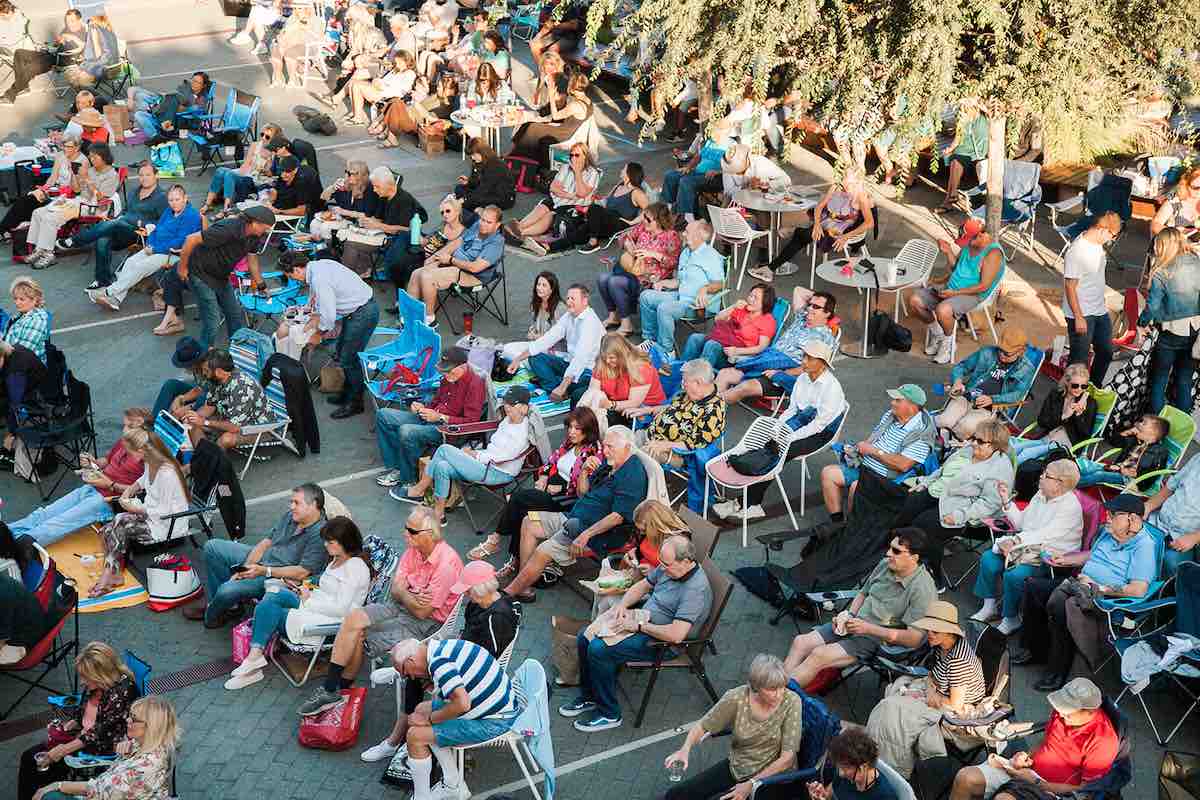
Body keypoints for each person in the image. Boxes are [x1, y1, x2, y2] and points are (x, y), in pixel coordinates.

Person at [298, 507, 464, 716]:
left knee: (358, 635)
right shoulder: (413, 550)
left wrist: (403, 591)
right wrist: (407, 594)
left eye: (411, 531)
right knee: (352, 619)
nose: (405, 533)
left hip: (426, 623)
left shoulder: (446, 565)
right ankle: (332, 689)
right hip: (398, 606)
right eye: (406, 528)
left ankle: (339, 689)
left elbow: (422, 612)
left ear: (429, 534)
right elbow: (395, 590)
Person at [361, 559, 520, 765]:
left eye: (467, 590)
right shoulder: (478, 604)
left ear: (480, 588)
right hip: (463, 659)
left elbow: (485, 658)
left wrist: (439, 673)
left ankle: (397, 738)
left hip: (473, 674)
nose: (464, 595)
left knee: (415, 681)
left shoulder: (496, 618)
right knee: (420, 669)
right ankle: (402, 672)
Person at [559, 534, 711, 732]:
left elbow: (676, 635)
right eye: (662, 564)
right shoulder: (670, 568)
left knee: (598, 649)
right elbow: (643, 585)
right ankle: (590, 696)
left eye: (666, 565)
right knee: (584, 636)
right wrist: (622, 605)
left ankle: (609, 713)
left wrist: (638, 626)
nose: (662, 569)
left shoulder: (694, 591)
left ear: (687, 562)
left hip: (661, 642)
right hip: (642, 619)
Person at [1012, 494, 1156, 691]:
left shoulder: (1144, 546)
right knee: (1034, 588)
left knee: (1062, 605)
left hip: (1103, 599)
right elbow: (1093, 556)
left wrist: (1098, 587)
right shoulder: (1109, 532)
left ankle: (1058, 671)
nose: (1107, 518)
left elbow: (1138, 590)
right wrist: (1067, 559)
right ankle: (1036, 650)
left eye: (1113, 515)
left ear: (1131, 518)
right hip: (1080, 584)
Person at [504, 426, 649, 603]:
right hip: (573, 517)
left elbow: (617, 517)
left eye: (611, 447)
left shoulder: (632, 474)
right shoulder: (609, 464)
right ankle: (523, 584)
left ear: (627, 447)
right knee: (529, 521)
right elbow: (582, 493)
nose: (606, 451)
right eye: (605, 446)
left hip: (595, 533)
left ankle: (507, 594)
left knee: (544, 550)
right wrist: (585, 472)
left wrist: (585, 535)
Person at [226, 516, 372, 689]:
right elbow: (328, 591)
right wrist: (306, 589)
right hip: (315, 604)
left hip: (330, 621)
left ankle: (253, 663)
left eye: (330, 542)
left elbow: (341, 609)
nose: (325, 545)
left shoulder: (354, 568)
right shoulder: (338, 558)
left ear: (344, 542)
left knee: (271, 612)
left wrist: (308, 601)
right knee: (274, 594)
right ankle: (255, 657)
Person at [784, 528, 936, 689]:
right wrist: (847, 614)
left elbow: (914, 639)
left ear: (914, 558)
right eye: (890, 547)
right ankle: (775, 688)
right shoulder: (886, 564)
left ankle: (777, 696)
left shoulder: (923, 590)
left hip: (876, 639)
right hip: (854, 623)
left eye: (896, 551)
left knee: (818, 655)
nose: (888, 553)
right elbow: (863, 593)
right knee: (800, 642)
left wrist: (869, 628)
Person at [713, 340, 845, 521]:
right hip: (801, 421)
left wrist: (788, 436)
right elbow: (791, 409)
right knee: (768, 439)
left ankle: (750, 503)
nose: (803, 361)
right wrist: (778, 426)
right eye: (804, 356)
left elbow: (818, 426)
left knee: (779, 450)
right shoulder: (804, 378)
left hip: (822, 433)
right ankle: (749, 502)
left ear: (822, 363)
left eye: (809, 358)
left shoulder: (831, 388)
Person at [386, 634, 518, 800]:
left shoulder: (438, 664)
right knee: (420, 710)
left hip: (494, 721)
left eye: (405, 673)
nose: (410, 677)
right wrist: (434, 697)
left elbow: (462, 704)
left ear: (411, 661)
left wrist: (430, 720)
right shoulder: (439, 648)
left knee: (415, 736)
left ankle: (423, 796)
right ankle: (453, 784)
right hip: (497, 708)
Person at [867, 601, 987, 779]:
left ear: (950, 632)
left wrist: (931, 692)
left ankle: (891, 771)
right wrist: (930, 688)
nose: (929, 634)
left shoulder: (959, 661)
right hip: (936, 691)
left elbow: (955, 705)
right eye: (929, 629)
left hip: (954, 708)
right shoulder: (943, 645)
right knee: (892, 698)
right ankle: (878, 754)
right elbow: (932, 674)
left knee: (891, 709)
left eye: (935, 631)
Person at [184, 483, 329, 628]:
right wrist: (245, 569)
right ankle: (227, 606)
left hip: (275, 576)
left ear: (313, 505)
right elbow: (266, 542)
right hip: (263, 561)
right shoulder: (292, 516)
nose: (291, 507)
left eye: (296, 503)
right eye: (291, 502)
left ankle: (213, 613)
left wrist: (264, 571)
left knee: (226, 590)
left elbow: (302, 572)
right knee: (212, 547)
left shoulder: (320, 534)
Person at [948, 677, 1117, 800]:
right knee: (965, 778)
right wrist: (1026, 757)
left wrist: (1037, 782)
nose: (1060, 713)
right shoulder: (1062, 714)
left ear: (1090, 712)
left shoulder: (1103, 742)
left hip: (1052, 790)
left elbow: (1085, 792)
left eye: (1067, 711)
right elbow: (1046, 742)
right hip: (1026, 772)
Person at [475, 406, 603, 568]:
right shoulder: (570, 444)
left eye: (577, 428)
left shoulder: (594, 452)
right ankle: (516, 561)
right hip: (549, 489)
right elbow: (551, 461)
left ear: (588, 429)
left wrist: (562, 489)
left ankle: (496, 539)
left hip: (566, 500)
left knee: (519, 497)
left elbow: (586, 492)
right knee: (523, 511)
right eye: (570, 427)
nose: (571, 432)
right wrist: (543, 477)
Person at [892, 419, 1014, 586]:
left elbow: (988, 504)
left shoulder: (999, 469)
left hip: (963, 510)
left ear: (993, 446)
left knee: (923, 526)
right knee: (907, 508)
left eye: (979, 441)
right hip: (940, 492)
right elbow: (943, 469)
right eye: (973, 437)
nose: (972, 443)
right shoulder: (969, 450)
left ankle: (933, 576)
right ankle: (897, 555)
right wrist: (925, 482)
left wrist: (959, 516)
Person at [662, 653, 801, 800]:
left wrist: (751, 783)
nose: (779, 694)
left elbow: (787, 759)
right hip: (738, 765)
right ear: (756, 687)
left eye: (782, 687)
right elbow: (704, 725)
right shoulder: (737, 698)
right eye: (772, 689)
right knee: (676, 795)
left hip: (773, 776)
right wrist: (685, 749)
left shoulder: (791, 701)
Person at [6, 408, 149, 546]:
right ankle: (4, 533)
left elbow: (141, 491)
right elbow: (106, 460)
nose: (124, 430)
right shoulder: (125, 441)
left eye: (130, 427)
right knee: (43, 514)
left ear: (145, 431)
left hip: (109, 500)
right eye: (125, 425)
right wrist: (93, 462)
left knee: (53, 524)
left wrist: (110, 484)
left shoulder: (147, 455)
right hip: (94, 486)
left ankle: (14, 547)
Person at [971, 460, 1084, 634]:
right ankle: (990, 607)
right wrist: (1006, 501)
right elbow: (1022, 522)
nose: (1041, 476)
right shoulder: (1041, 494)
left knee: (1015, 574)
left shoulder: (1070, 507)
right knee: (989, 558)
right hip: (1026, 544)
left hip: (1050, 555)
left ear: (1059, 484)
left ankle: (1011, 618)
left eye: (1047, 475)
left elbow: (1045, 535)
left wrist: (1015, 541)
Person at [19, 642, 139, 800]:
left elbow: (97, 734)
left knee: (42, 767)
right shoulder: (96, 685)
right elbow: (81, 711)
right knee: (30, 758)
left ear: (101, 674)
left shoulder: (123, 692)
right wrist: (70, 725)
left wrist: (63, 749)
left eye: (86, 677)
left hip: (98, 750)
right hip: (79, 739)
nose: (82, 681)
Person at [395, 386, 533, 521]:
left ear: (524, 408)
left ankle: (419, 489)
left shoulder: (522, 432)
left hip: (498, 472)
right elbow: (494, 449)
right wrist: (476, 453)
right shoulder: (508, 420)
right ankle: (439, 513)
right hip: (485, 463)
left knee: (444, 449)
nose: (506, 407)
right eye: (505, 402)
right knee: (442, 466)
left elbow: (503, 457)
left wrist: (475, 454)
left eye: (511, 404)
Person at [279, 251, 379, 418]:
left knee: (349, 359)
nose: (292, 279)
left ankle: (355, 403)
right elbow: (321, 301)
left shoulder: (319, 280)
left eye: (290, 275)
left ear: (297, 270)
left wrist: (318, 334)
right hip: (357, 310)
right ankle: (347, 394)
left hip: (363, 313)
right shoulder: (318, 266)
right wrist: (309, 311)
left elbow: (329, 317)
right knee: (342, 353)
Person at [89, 431, 189, 598]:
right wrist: (130, 489)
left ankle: (110, 575)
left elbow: (165, 511)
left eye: (131, 451)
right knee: (112, 527)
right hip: (153, 516)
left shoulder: (167, 474)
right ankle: (113, 572)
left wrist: (137, 510)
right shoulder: (152, 462)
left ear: (142, 451)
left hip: (167, 524)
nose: (128, 454)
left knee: (118, 525)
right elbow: (143, 479)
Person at [375, 346, 487, 496]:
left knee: (407, 431)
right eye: (445, 371)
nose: (447, 375)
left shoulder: (475, 384)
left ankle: (409, 480)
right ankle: (398, 467)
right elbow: (437, 401)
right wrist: (422, 407)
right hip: (431, 417)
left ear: (463, 366)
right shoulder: (449, 378)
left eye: (450, 371)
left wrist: (441, 417)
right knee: (384, 415)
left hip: (449, 430)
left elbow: (471, 422)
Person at [821, 384, 935, 523]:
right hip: (864, 466)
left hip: (885, 479)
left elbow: (903, 465)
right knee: (828, 473)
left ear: (912, 406)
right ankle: (837, 523)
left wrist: (873, 451)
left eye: (898, 400)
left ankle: (850, 528)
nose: (892, 403)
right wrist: (860, 449)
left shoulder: (922, 434)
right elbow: (874, 437)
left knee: (856, 487)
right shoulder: (891, 415)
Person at [31, 695, 181, 800]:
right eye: (130, 715)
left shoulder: (148, 766)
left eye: (134, 718)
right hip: (104, 788)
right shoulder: (149, 743)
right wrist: (125, 744)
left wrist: (58, 785)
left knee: (50, 795)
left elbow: (99, 790)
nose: (127, 719)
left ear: (151, 727)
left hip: (101, 791)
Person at [88, 184, 202, 312]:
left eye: (177, 199)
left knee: (140, 266)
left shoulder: (191, 216)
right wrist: (150, 244)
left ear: (185, 198)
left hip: (175, 254)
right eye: (171, 200)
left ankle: (109, 292)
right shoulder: (169, 211)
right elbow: (157, 229)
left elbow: (180, 242)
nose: (174, 203)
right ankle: (116, 300)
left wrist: (155, 249)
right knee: (130, 262)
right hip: (157, 247)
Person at [749, 167, 874, 283]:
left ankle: (770, 268)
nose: (846, 185)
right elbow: (819, 207)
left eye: (850, 182)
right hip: (825, 223)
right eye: (845, 179)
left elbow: (869, 222)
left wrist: (846, 236)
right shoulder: (836, 187)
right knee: (803, 235)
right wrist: (817, 225)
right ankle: (771, 268)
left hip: (836, 232)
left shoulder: (861, 197)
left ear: (858, 182)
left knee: (801, 235)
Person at [718, 287, 838, 405]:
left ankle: (709, 407)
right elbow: (798, 290)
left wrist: (782, 373)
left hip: (782, 373)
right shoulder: (801, 318)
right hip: (766, 360)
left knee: (744, 387)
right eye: (810, 304)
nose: (810, 308)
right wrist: (817, 298)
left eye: (816, 307)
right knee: (725, 374)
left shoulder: (825, 338)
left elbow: (812, 368)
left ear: (827, 313)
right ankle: (708, 407)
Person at [59, 161, 168, 290]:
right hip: (121, 228)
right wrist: (117, 217)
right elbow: (126, 211)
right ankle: (102, 280)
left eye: (148, 175)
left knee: (116, 223)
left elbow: (164, 223)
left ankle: (75, 241)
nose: (144, 178)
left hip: (140, 233)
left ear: (156, 176)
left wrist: (145, 225)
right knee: (103, 239)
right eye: (141, 175)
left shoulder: (162, 197)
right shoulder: (134, 192)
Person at [175, 206, 274, 348]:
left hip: (220, 275)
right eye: (265, 228)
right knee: (213, 320)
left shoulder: (255, 237)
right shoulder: (228, 228)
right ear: (254, 223)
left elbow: (252, 261)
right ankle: (203, 355)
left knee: (234, 314)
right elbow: (191, 240)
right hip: (200, 272)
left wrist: (261, 285)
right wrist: (182, 268)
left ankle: (236, 349)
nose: (267, 231)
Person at [911, 217, 1006, 364]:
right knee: (915, 301)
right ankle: (939, 335)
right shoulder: (970, 245)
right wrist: (948, 252)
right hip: (951, 288)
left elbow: (984, 286)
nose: (967, 243)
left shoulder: (993, 254)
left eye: (970, 239)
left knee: (943, 310)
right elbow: (957, 268)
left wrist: (954, 293)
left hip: (974, 294)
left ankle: (948, 344)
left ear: (982, 235)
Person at [638, 220, 726, 358]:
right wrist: (664, 283)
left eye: (687, 232)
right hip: (681, 295)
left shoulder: (711, 256)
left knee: (665, 308)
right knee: (646, 296)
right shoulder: (686, 252)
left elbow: (721, 283)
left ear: (699, 236)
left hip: (699, 306)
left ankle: (666, 350)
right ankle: (650, 340)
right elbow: (680, 281)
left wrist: (704, 289)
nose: (683, 234)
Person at [25, 143, 119, 269]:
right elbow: (76, 189)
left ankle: (48, 253)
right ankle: (39, 249)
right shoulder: (90, 171)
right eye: (90, 157)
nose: (91, 160)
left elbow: (101, 200)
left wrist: (87, 180)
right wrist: (74, 174)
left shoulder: (111, 175)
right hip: (80, 201)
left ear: (104, 157)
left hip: (94, 208)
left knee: (51, 218)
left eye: (95, 157)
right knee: (38, 212)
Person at [505, 283, 605, 402]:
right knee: (535, 358)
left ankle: (556, 386)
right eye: (567, 298)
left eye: (573, 298)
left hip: (588, 370)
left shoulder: (590, 322)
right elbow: (547, 339)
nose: (568, 302)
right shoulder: (569, 316)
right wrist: (518, 359)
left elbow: (581, 358)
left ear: (585, 301)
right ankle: (555, 387)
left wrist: (563, 386)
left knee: (583, 384)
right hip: (569, 363)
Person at [407, 204, 506, 323]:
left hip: (473, 276)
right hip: (453, 263)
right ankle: (408, 314)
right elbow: (457, 242)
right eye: (482, 219)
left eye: (488, 222)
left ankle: (429, 319)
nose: (483, 224)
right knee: (416, 273)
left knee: (427, 277)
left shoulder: (496, 243)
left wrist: (450, 260)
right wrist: (434, 258)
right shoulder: (477, 226)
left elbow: (475, 268)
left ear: (497, 225)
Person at [936, 327, 1037, 441]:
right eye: (1000, 349)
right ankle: (939, 443)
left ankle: (949, 447)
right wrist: (958, 382)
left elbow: (1017, 395)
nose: (1001, 355)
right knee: (944, 421)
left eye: (1007, 353)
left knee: (965, 427)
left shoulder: (1026, 369)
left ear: (1021, 352)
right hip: (967, 395)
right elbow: (962, 367)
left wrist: (992, 399)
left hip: (991, 407)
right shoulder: (987, 352)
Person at [594, 203, 682, 333]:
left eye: (648, 219)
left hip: (648, 279)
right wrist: (628, 245)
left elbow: (674, 262)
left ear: (659, 221)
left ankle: (626, 325)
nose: (644, 221)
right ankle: (614, 316)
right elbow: (623, 237)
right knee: (602, 279)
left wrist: (654, 255)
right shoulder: (643, 228)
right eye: (644, 217)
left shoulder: (671, 236)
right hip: (631, 269)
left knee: (614, 282)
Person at [1139, 227, 1200, 413]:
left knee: (1160, 378)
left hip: (1170, 331)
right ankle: (1181, 425)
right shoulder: (1197, 262)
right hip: (1195, 329)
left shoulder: (1161, 271)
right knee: (1184, 380)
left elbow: (1153, 306)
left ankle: (1155, 425)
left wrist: (1141, 323)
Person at [1062, 212, 1121, 386]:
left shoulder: (1097, 246)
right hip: (1081, 313)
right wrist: (1079, 317)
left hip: (1098, 310)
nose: (1111, 239)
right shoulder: (1077, 251)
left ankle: (1093, 386)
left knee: (1105, 352)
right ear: (1102, 229)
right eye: (1112, 235)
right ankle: (1069, 396)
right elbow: (1070, 287)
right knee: (1078, 361)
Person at [506, 142, 600, 250]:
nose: (573, 158)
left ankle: (522, 234)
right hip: (560, 199)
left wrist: (577, 173)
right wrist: (570, 195)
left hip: (574, 205)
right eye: (571, 155)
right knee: (542, 207)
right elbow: (553, 187)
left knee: (550, 215)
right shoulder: (566, 167)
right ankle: (518, 227)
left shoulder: (592, 173)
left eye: (577, 155)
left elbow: (582, 193)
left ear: (585, 156)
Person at [633, 358, 726, 466]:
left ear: (698, 382)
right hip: (651, 434)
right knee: (620, 439)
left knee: (634, 459)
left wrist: (665, 445)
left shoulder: (713, 412)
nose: (683, 385)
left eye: (685, 381)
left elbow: (692, 445)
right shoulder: (695, 393)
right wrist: (649, 410)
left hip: (674, 453)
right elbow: (673, 407)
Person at [177, 348, 273, 451]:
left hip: (257, 428)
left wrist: (205, 422)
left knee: (226, 439)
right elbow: (209, 407)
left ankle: (211, 462)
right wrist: (193, 417)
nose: (204, 374)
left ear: (218, 371)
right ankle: (204, 457)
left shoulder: (241, 388)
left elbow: (234, 427)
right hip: (230, 419)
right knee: (193, 426)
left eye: (206, 371)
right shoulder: (217, 380)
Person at [1008, 364, 1098, 465]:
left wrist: (1078, 416)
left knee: (1026, 454)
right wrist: (1063, 416)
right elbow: (1042, 421)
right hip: (1047, 438)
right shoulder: (1056, 395)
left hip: (1064, 446)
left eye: (1084, 386)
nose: (1079, 389)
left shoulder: (1090, 403)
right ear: (1067, 382)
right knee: (1014, 449)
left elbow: (1085, 434)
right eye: (1075, 385)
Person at [0, 136, 85, 242]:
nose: (65, 149)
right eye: (64, 146)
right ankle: (6, 229)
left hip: (70, 196)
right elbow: (53, 177)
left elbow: (78, 189)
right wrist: (44, 188)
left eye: (69, 147)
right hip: (56, 190)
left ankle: (8, 230)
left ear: (77, 148)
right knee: (26, 199)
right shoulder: (61, 156)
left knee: (29, 202)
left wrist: (73, 173)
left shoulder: (82, 161)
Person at [388, 193, 467, 304]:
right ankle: (401, 299)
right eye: (442, 212)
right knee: (396, 265)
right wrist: (418, 233)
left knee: (408, 267)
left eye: (448, 211)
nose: (444, 215)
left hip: (440, 263)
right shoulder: (442, 226)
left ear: (457, 211)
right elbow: (427, 241)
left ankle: (409, 302)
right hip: (424, 254)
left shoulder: (464, 233)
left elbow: (456, 255)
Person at [345, 167, 421, 279]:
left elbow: (404, 230)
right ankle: (362, 270)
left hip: (393, 240)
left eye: (377, 186)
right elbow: (378, 218)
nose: (374, 190)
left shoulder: (404, 200)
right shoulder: (383, 195)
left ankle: (348, 277)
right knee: (349, 235)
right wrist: (367, 222)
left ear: (388, 185)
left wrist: (377, 225)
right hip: (381, 233)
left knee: (350, 244)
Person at [681, 283, 777, 370]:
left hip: (737, 356)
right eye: (750, 295)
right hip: (724, 341)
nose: (750, 299)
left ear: (765, 302)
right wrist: (733, 307)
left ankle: (699, 379)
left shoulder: (768, 321)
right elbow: (717, 319)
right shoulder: (743, 308)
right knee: (695, 338)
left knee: (712, 345)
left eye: (755, 298)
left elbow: (761, 348)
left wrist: (736, 351)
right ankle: (681, 370)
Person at [508, 73, 593, 170]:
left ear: (572, 86)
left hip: (562, 133)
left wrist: (551, 96)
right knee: (527, 125)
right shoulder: (587, 101)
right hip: (566, 129)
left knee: (533, 129)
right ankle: (517, 154)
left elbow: (556, 116)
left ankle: (518, 159)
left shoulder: (575, 105)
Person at [580, 334, 668, 428]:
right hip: (614, 399)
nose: (607, 361)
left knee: (607, 418)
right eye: (605, 357)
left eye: (611, 358)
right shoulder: (603, 361)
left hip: (641, 407)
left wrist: (610, 404)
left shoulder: (641, 368)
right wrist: (593, 401)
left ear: (622, 355)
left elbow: (634, 402)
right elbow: (593, 390)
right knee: (578, 395)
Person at [200, 123, 285, 214]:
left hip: (259, 179)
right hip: (248, 172)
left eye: (267, 137)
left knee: (229, 174)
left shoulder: (276, 152)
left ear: (275, 139)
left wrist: (268, 160)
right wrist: (240, 173)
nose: (263, 138)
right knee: (220, 171)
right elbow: (246, 164)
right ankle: (208, 204)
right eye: (262, 134)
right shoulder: (255, 145)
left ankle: (226, 208)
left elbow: (270, 173)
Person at [660, 119, 732, 220]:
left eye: (717, 129)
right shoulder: (711, 141)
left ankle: (687, 217)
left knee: (686, 182)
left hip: (714, 177)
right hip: (697, 172)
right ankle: (670, 208)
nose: (713, 131)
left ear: (726, 131)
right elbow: (698, 156)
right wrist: (688, 167)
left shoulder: (731, 146)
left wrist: (717, 172)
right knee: (671, 175)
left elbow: (734, 169)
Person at [573, 162, 651, 254]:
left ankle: (593, 243)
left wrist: (633, 222)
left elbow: (649, 211)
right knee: (576, 235)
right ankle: (551, 246)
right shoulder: (619, 186)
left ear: (629, 174)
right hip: (606, 220)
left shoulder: (637, 193)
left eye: (624, 169)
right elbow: (606, 202)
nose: (621, 170)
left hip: (620, 223)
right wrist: (592, 199)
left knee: (594, 209)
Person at [1075, 413, 1169, 489]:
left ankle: (1071, 484)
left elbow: (1149, 473)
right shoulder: (1136, 441)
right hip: (1117, 468)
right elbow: (1114, 441)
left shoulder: (1160, 451)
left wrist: (1126, 472)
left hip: (1130, 479)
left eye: (1144, 424)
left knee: (1099, 475)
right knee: (1090, 466)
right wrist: (1126, 433)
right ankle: (1068, 475)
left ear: (1153, 433)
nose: (1139, 425)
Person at [1142, 455, 1200, 577]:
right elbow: (1170, 487)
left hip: (1184, 538)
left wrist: (1194, 537)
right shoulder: (1198, 458)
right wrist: (1147, 506)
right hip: (1158, 522)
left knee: (1170, 564)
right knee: (1124, 530)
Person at [808, 728, 901, 800]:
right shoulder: (846, 775)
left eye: (845, 768)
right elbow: (830, 793)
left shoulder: (885, 796)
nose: (840, 773)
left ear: (864, 767)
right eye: (840, 767)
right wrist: (822, 794)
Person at [499, 270, 566, 363]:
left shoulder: (560, 308)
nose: (539, 288)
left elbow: (561, 336)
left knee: (523, 358)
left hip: (555, 350)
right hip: (538, 345)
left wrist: (539, 337)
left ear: (552, 289)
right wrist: (531, 331)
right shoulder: (536, 303)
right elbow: (534, 325)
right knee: (507, 349)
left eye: (544, 285)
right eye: (538, 284)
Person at [127, 70, 212, 139]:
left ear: (203, 85)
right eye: (193, 80)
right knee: (139, 114)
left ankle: (161, 132)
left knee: (172, 98)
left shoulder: (201, 99)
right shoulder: (186, 88)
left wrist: (183, 107)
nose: (194, 83)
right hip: (164, 117)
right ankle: (156, 137)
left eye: (198, 82)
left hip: (175, 122)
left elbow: (192, 110)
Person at [938, 100, 989, 211]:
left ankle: (950, 199)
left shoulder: (984, 116)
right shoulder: (962, 117)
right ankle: (951, 195)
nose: (964, 108)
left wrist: (985, 109)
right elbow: (958, 138)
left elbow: (996, 119)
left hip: (981, 152)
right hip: (965, 148)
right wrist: (950, 149)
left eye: (967, 106)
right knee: (955, 160)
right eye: (963, 106)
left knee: (982, 165)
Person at [347, 50, 420, 126]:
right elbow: (383, 80)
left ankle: (357, 117)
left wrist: (382, 87)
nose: (397, 65)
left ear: (407, 61)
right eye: (397, 62)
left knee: (357, 86)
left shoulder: (410, 74)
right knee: (353, 83)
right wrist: (377, 81)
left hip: (387, 95)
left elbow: (401, 91)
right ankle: (356, 113)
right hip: (380, 89)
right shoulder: (395, 70)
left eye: (400, 63)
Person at [311, 160, 379, 241]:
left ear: (360, 175)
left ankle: (329, 249)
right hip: (341, 218)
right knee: (314, 224)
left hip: (357, 223)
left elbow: (368, 215)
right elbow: (323, 197)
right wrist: (332, 188)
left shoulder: (370, 190)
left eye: (350, 173)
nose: (347, 176)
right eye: (346, 172)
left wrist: (344, 211)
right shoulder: (344, 184)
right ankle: (318, 247)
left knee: (325, 227)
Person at [0, 1, 48, 105]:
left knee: (20, 60)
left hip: (19, 50)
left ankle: (14, 94)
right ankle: (23, 88)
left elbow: (9, 41)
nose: (3, 17)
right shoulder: (15, 14)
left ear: (9, 12)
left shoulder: (16, 21)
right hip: (21, 50)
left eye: (3, 15)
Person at [268, 1, 320, 88]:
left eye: (299, 8)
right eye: (295, 8)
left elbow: (318, 37)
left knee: (289, 54)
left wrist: (305, 28)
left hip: (307, 46)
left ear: (307, 8)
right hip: (289, 43)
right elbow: (283, 32)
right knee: (276, 53)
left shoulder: (315, 19)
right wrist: (293, 26)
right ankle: (278, 78)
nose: (296, 10)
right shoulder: (292, 18)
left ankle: (292, 80)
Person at [455, 140, 516, 212]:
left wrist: (464, 199)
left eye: (474, 155)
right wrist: (468, 182)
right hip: (487, 191)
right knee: (459, 188)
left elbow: (483, 190)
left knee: (470, 200)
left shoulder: (495, 165)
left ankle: (476, 209)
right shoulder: (477, 162)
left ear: (483, 152)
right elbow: (477, 182)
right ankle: (475, 208)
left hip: (502, 197)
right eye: (471, 155)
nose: (472, 158)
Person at [4, 276, 50, 363]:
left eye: (22, 299)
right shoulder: (21, 316)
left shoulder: (37, 320)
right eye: (15, 298)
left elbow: (23, 353)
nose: (17, 303)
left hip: (26, 370)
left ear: (35, 300)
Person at [1151, 165, 1200, 237]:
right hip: (1175, 244)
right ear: (1186, 184)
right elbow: (1155, 225)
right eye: (1195, 188)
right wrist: (1176, 235)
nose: (1199, 191)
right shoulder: (1176, 200)